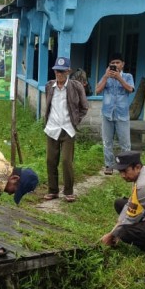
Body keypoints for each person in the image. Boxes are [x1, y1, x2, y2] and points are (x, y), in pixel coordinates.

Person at [43, 57, 89, 203]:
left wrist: (75, 120)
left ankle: (68, 191)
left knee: (66, 161)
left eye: (62, 71)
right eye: (57, 71)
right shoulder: (49, 86)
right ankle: (53, 190)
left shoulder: (76, 86)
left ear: (68, 71)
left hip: (68, 129)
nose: (59, 74)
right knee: (51, 160)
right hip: (52, 128)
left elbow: (84, 107)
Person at [99, 151, 145, 252]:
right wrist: (116, 227)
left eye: (125, 171)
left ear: (137, 167)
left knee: (124, 232)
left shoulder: (143, 185)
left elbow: (131, 218)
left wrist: (113, 235)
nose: (122, 175)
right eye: (120, 171)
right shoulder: (143, 172)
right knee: (119, 203)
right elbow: (130, 203)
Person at [95, 53, 134, 175]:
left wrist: (119, 78)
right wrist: (106, 77)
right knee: (107, 141)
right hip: (107, 114)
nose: (115, 65)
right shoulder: (106, 76)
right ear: (109, 65)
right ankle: (109, 165)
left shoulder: (128, 76)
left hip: (122, 114)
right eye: (112, 63)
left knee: (125, 143)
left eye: (117, 62)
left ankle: (126, 166)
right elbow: (97, 90)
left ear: (123, 64)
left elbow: (130, 89)